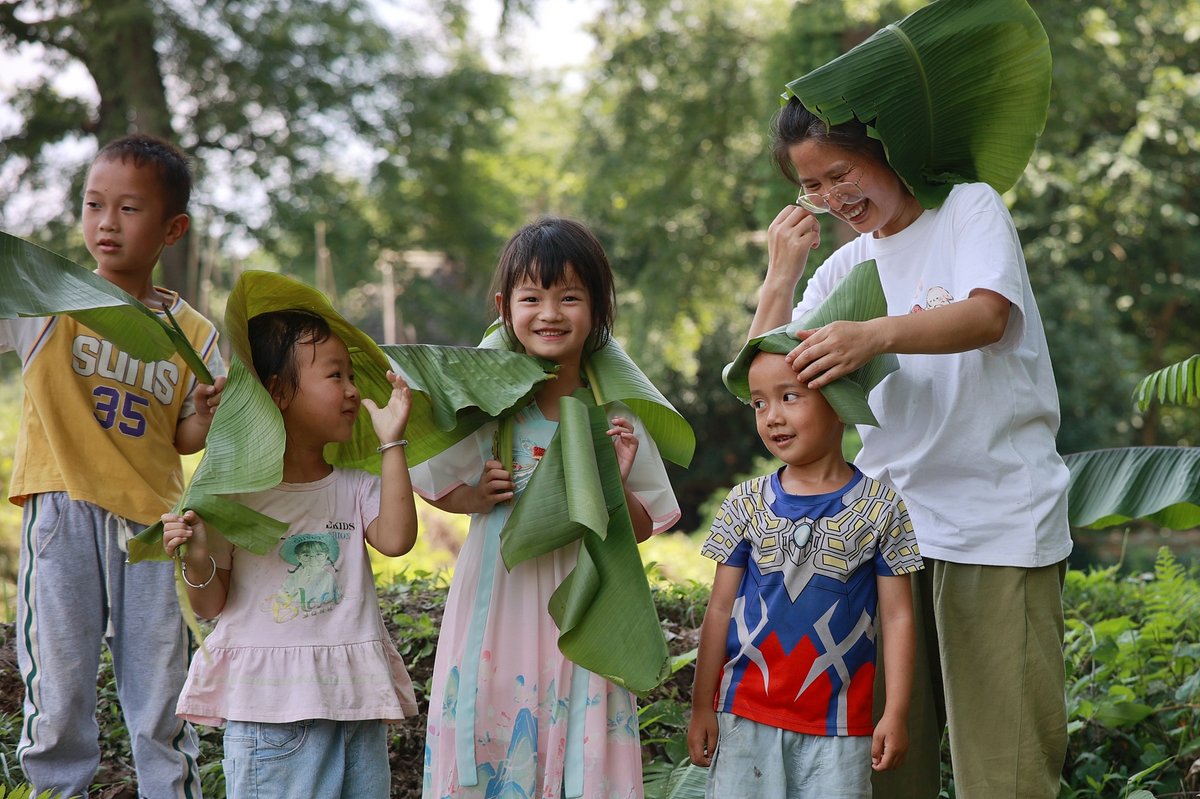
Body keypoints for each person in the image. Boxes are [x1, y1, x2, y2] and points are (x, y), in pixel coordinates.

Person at [748, 97, 1072, 798]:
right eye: (811, 187)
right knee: (889, 770)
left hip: (996, 525)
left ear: (887, 150)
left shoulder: (967, 210)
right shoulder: (844, 271)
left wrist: (877, 333)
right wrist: (780, 275)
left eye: (841, 173)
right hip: (887, 537)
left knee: (1004, 772)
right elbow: (768, 380)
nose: (833, 198)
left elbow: (988, 314)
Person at [412, 217, 681, 799]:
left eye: (570, 297)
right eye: (532, 298)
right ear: (505, 307)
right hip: (498, 603)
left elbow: (640, 528)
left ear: (599, 309)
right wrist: (475, 496)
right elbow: (435, 482)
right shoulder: (489, 403)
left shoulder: (617, 413)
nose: (550, 313)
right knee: (494, 730)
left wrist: (618, 477)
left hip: (581, 610)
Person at [1, 133, 225, 799]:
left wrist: (206, 414)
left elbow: (183, 435)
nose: (106, 222)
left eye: (129, 209)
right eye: (94, 204)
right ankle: (54, 790)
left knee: (158, 690)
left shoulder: (193, 332)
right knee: (60, 688)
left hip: (154, 528)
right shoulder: (46, 302)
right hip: (60, 510)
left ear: (171, 229)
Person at [161, 308, 420, 798]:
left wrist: (393, 443)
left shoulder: (353, 487)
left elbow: (397, 538)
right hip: (272, 716)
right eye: (333, 375)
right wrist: (195, 556)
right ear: (278, 392)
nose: (351, 390)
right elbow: (210, 604)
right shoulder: (231, 495)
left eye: (350, 375)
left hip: (353, 705)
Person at [687, 349, 922, 798]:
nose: (772, 416)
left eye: (789, 397)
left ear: (838, 402)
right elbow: (718, 610)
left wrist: (895, 712)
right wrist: (703, 706)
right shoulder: (745, 502)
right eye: (759, 403)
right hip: (744, 715)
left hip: (840, 727)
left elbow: (897, 618)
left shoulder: (883, 508)